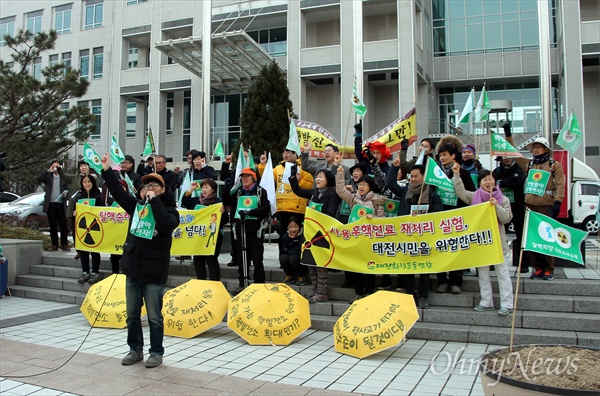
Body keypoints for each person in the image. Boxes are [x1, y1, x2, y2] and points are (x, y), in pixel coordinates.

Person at [101, 153, 179, 369]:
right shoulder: (136, 207)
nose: (149, 188)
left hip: (154, 272)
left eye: (155, 185)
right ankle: (135, 350)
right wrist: (107, 170)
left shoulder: (171, 211)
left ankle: (156, 352)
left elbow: (164, 224)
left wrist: (154, 201)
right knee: (132, 315)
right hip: (133, 270)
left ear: (164, 190)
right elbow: (118, 192)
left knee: (154, 316)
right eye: (146, 186)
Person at [452, 165, 514, 316]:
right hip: (481, 242)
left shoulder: (502, 199)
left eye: (490, 179)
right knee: (483, 274)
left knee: (502, 273)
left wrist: (496, 206)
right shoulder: (474, 197)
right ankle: (486, 302)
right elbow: (460, 192)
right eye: (484, 180)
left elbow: (506, 218)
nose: (488, 182)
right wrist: (456, 175)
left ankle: (507, 304)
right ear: (479, 183)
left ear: (495, 181)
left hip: (498, 243)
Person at [386, 161, 444, 309]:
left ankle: (424, 295)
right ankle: (411, 293)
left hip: (425, 239)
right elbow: (391, 184)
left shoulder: (432, 195)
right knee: (408, 268)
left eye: (416, 176)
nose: (413, 179)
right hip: (407, 238)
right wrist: (394, 167)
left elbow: (438, 216)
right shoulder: (405, 191)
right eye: (411, 176)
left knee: (424, 269)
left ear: (424, 177)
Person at [335, 165, 385, 302]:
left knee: (369, 266)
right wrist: (339, 175)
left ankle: (369, 292)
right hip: (355, 238)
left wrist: (373, 219)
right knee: (355, 266)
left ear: (370, 186)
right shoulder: (353, 199)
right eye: (359, 184)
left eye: (364, 184)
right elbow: (340, 190)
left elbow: (383, 220)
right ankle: (358, 293)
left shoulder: (376, 201)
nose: (361, 187)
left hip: (369, 240)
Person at [289, 168, 340, 301]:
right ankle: (315, 287)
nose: (317, 179)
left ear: (328, 180)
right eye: (317, 177)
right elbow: (298, 191)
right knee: (310, 262)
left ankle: (322, 292)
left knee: (320, 264)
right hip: (310, 233)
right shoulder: (314, 192)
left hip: (322, 234)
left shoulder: (332, 194)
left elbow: (331, 213)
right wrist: (293, 177)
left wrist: (317, 214)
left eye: (321, 177)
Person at [435, 143, 476, 294]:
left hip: (457, 216)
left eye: (445, 155)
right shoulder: (435, 173)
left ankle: (455, 281)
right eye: (440, 155)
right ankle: (441, 280)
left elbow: (471, 194)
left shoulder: (463, 173)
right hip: (439, 217)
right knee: (440, 249)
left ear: (453, 156)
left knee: (456, 249)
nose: (442, 158)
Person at [223, 167, 270, 294]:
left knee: (256, 257)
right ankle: (242, 282)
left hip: (255, 230)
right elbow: (227, 202)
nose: (245, 179)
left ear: (253, 178)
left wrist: (250, 212)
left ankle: (259, 282)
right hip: (241, 229)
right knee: (242, 258)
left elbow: (266, 208)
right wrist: (226, 189)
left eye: (247, 176)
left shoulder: (260, 192)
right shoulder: (238, 192)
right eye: (243, 177)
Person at [523, 137, 565, 280]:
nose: (535, 149)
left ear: (546, 149)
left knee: (547, 238)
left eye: (539, 147)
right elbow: (514, 155)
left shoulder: (554, 165)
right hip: (530, 206)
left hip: (546, 206)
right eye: (534, 147)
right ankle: (537, 268)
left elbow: (560, 184)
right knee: (531, 238)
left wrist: (558, 202)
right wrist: (508, 134)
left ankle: (548, 268)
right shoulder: (529, 164)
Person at [258, 148, 313, 238]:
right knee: (283, 235)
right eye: (283, 153)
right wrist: (263, 165)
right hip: (282, 207)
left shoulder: (302, 168)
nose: (285, 155)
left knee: (297, 235)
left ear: (295, 154)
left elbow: (309, 185)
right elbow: (267, 179)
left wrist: (299, 181)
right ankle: (282, 252)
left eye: (288, 153)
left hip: (297, 207)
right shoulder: (278, 168)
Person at [181, 178, 227, 281]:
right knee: (198, 260)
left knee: (211, 260)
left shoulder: (218, 202)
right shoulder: (197, 201)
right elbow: (185, 202)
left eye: (207, 187)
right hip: (199, 236)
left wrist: (222, 213)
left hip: (213, 236)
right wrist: (191, 190)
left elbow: (225, 220)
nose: (204, 190)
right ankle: (201, 282)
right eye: (203, 188)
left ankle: (215, 283)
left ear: (213, 189)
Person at [493, 156, 528, 273]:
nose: (507, 159)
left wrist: (501, 182)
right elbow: (492, 185)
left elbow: (517, 182)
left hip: (517, 207)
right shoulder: (496, 171)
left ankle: (523, 263)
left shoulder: (519, 170)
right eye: (504, 157)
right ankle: (495, 261)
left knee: (521, 235)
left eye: (509, 157)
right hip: (501, 208)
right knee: (499, 234)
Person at [73, 175, 104, 284]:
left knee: (94, 249)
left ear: (93, 183)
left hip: (95, 226)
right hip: (83, 226)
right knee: (83, 249)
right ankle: (85, 271)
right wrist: (75, 212)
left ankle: (95, 271)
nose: (87, 184)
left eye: (89, 182)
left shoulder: (98, 196)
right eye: (84, 182)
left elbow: (102, 210)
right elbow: (74, 209)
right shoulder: (80, 196)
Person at [37, 160, 72, 251]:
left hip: (61, 204)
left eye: (57, 166)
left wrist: (66, 195)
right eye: (54, 166)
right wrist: (49, 171)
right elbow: (38, 179)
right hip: (51, 204)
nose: (55, 168)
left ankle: (64, 244)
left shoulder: (63, 177)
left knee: (63, 225)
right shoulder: (48, 176)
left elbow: (68, 190)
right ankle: (54, 245)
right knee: (52, 226)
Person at [68, 161, 93, 258]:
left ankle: (90, 248)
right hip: (77, 211)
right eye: (81, 166)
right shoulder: (76, 180)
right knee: (77, 230)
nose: (83, 167)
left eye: (85, 166)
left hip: (90, 212)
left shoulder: (93, 177)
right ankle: (79, 250)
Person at [279, 217, 306, 286]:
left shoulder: (302, 236)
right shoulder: (285, 237)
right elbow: (284, 250)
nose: (293, 229)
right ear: (287, 228)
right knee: (283, 258)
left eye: (295, 227)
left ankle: (302, 277)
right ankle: (289, 276)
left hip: (299, 258)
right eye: (290, 227)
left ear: (300, 226)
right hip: (290, 256)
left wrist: (290, 250)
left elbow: (300, 249)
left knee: (293, 258)